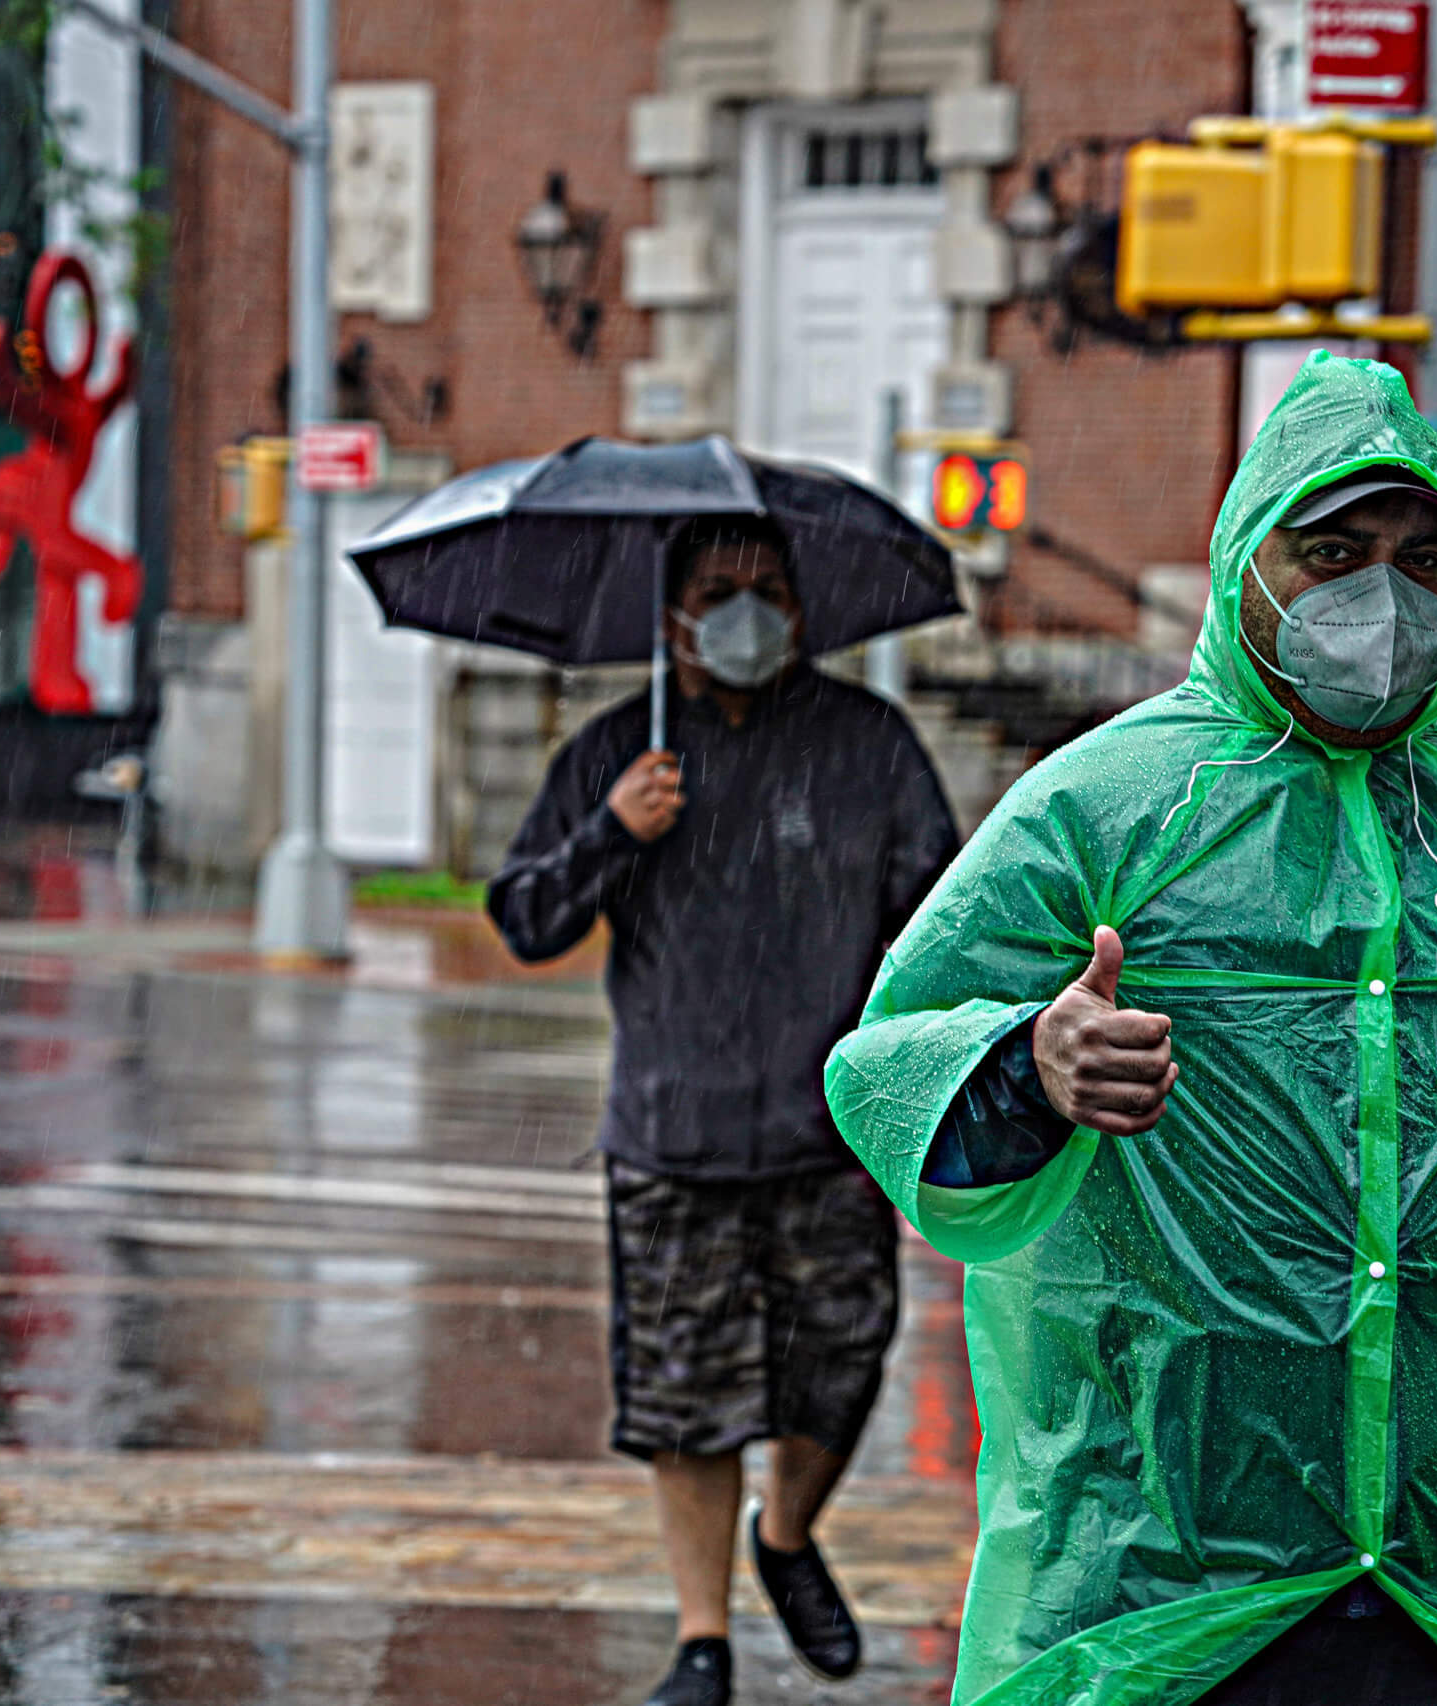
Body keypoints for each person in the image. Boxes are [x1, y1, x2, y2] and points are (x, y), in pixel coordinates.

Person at [825, 352, 1437, 1706]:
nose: (1382, 599)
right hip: (1153, 1559)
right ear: (1247, 564)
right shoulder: (1100, 811)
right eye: (1334, 550)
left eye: (1422, 559)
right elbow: (892, 1056)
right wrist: (1031, 1067)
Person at [489, 513, 960, 1706]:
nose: (746, 608)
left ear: (801, 613)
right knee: (683, 1396)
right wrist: (614, 830)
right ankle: (700, 1641)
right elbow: (525, 916)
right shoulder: (619, 752)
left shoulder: (868, 745)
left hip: (829, 1132)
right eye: (719, 588)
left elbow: (950, 917)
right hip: (672, 1131)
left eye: (766, 588)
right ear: (673, 618)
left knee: (841, 1368)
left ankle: (788, 1533)